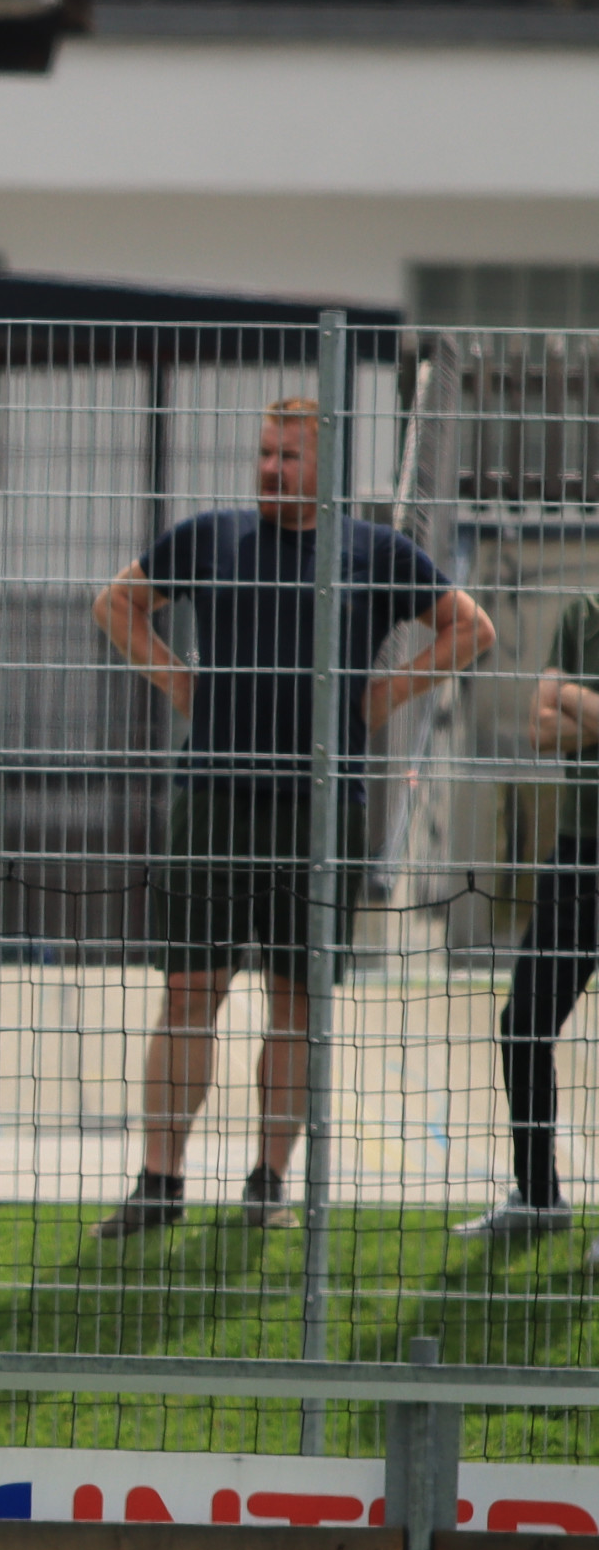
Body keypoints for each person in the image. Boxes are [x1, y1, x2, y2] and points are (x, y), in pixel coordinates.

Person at [89, 395, 494, 1238]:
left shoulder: (374, 552)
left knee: (298, 1000)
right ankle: (158, 1185)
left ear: (326, 468)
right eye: (265, 454)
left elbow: (471, 628)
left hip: (321, 808)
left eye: (290, 458)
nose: (271, 469)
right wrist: (179, 683)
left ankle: (267, 1187)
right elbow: (116, 605)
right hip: (212, 798)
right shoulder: (211, 536)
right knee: (189, 990)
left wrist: (386, 694)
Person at [456, 592, 599, 1245]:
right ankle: (539, 1199)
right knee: (523, 1023)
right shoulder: (584, 615)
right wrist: (570, 708)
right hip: (579, 853)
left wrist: (580, 702)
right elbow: (540, 729)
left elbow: (559, 712)